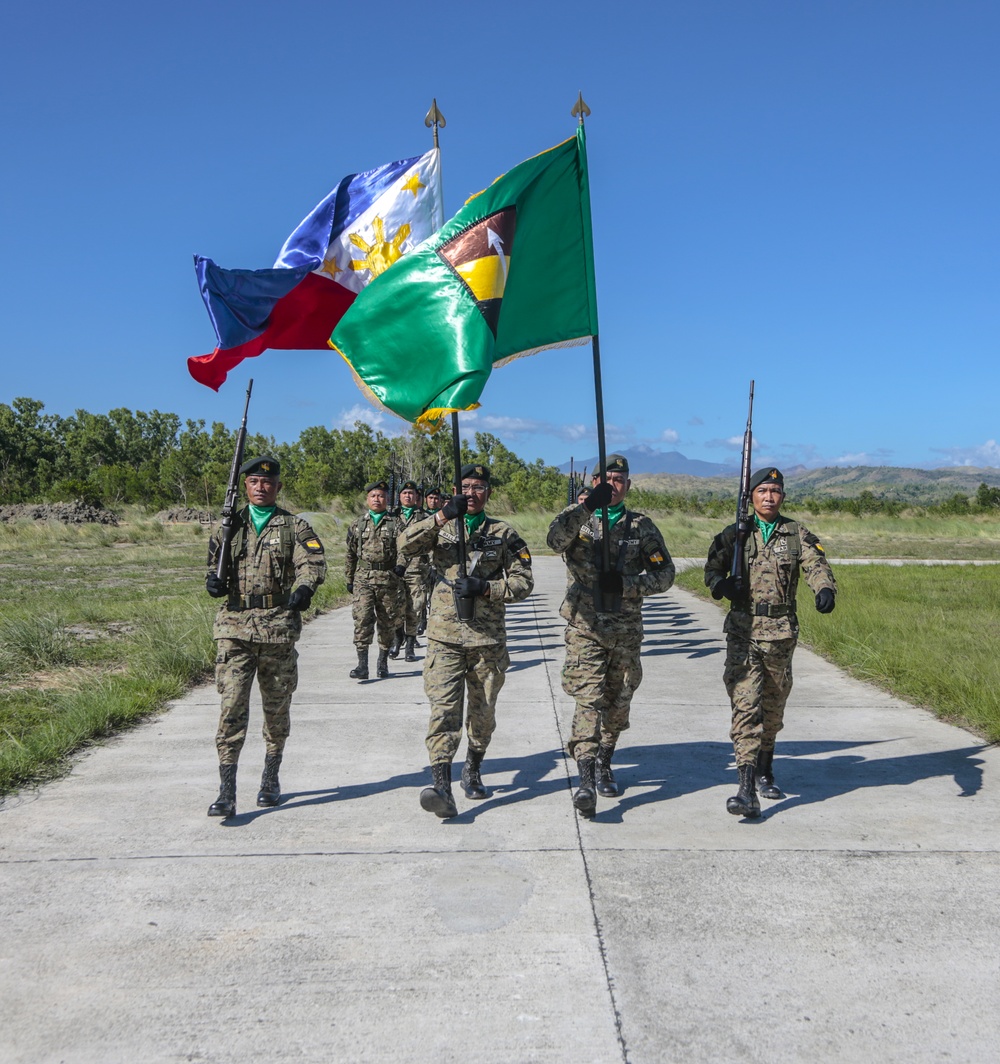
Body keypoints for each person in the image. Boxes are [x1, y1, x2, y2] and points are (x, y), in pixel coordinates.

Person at [400, 463, 533, 818]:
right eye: (466, 486)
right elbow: (404, 544)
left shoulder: (503, 533)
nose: (471, 493)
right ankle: (441, 785)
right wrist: (441, 516)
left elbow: (524, 581)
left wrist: (489, 588)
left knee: (483, 713)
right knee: (443, 710)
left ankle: (473, 767)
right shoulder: (440, 527)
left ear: (488, 492)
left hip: (487, 639)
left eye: (478, 487)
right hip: (444, 636)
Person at [704, 467, 837, 818]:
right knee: (746, 705)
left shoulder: (796, 534)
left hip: (780, 632)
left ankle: (765, 768)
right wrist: (722, 587)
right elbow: (711, 570)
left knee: (773, 707)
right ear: (751, 496)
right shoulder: (735, 534)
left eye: (775, 490)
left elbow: (816, 564)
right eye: (762, 490)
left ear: (783, 495)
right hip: (743, 631)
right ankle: (746, 787)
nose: (769, 496)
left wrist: (824, 588)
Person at [548, 454, 675, 817]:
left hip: (624, 627)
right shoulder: (578, 517)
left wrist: (626, 585)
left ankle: (605, 759)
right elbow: (555, 540)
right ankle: (586, 778)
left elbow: (665, 575)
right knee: (588, 698)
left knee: (618, 702)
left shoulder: (641, 526)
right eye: (606, 478)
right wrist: (587, 505)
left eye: (620, 479)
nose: (613, 484)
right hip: (585, 625)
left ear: (628, 485)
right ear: (593, 481)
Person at [204, 456, 326, 817]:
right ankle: (227, 791)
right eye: (254, 481)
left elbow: (313, 563)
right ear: (245, 486)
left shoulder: (294, 526)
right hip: (234, 628)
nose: (261, 487)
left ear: (278, 487)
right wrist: (213, 581)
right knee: (231, 708)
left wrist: (305, 588)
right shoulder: (228, 526)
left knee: (276, 709)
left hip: (276, 627)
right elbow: (214, 565)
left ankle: (271, 777)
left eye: (267, 482)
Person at [344, 480, 404, 680]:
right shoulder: (358, 524)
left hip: (388, 578)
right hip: (363, 579)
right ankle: (362, 664)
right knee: (362, 619)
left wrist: (401, 566)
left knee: (387, 621)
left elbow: (404, 548)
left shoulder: (396, 524)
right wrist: (349, 578)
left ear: (387, 499)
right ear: (367, 499)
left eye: (381, 496)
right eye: (373, 496)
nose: (377, 499)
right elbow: (351, 553)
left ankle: (383, 662)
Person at [391, 480, 430, 662]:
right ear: (399, 496)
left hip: (416, 568)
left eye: (411, 493)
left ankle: (410, 645)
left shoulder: (424, 518)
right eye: (405, 493)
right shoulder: (392, 517)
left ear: (417, 497)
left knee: (414, 608)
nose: (408, 496)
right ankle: (397, 639)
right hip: (396, 570)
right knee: (396, 608)